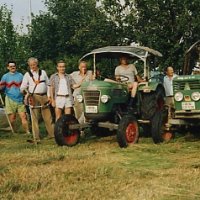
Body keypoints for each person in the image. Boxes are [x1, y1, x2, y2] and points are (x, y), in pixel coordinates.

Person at [20, 57, 54, 142]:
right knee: (34, 117)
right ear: (29, 65)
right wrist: (27, 94)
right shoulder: (27, 75)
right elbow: (22, 88)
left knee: (48, 117)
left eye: (34, 64)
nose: (32, 66)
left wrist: (49, 96)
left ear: (37, 63)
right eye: (31, 65)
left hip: (44, 96)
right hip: (34, 97)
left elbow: (48, 84)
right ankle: (36, 137)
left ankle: (52, 135)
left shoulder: (43, 72)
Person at [0, 60, 29, 134]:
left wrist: (26, 94)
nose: (13, 67)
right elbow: (1, 87)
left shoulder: (20, 75)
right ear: (8, 67)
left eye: (14, 66)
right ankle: (14, 132)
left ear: (15, 66)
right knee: (12, 118)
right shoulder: (5, 76)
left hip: (20, 99)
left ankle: (27, 132)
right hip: (9, 99)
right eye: (11, 66)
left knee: (23, 116)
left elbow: (25, 86)